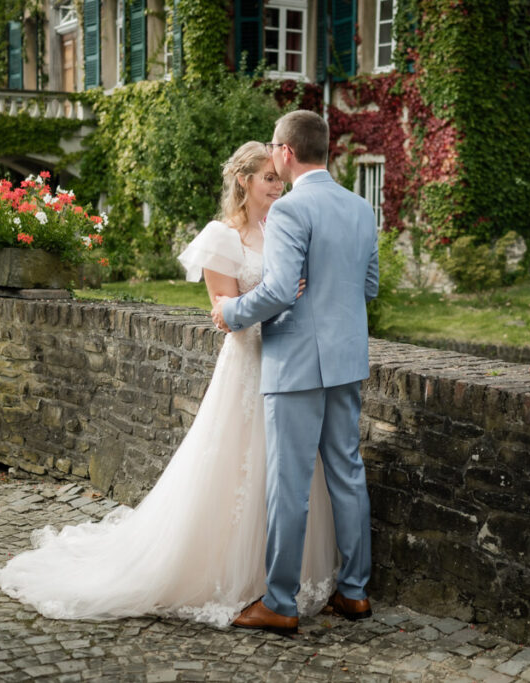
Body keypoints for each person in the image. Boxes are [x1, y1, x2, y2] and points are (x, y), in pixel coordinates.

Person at [0, 141, 340, 625]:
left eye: (279, 179)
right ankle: (233, 577)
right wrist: (281, 296)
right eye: (269, 179)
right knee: (236, 467)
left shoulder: (282, 227)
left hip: (291, 363)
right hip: (247, 367)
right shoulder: (223, 237)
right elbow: (227, 317)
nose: (278, 187)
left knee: (288, 470)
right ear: (244, 181)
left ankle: (280, 577)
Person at [212, 110, 379, 635]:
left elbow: (282, 290)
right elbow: (368, 286)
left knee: (288, 483)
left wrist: (230, 313)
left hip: (297, 363)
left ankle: (280, 602)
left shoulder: (287, 210)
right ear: (324, 149)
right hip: (347, 358)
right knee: (347, 474)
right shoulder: (360, 207)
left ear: (285, 152)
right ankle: (354, 593)